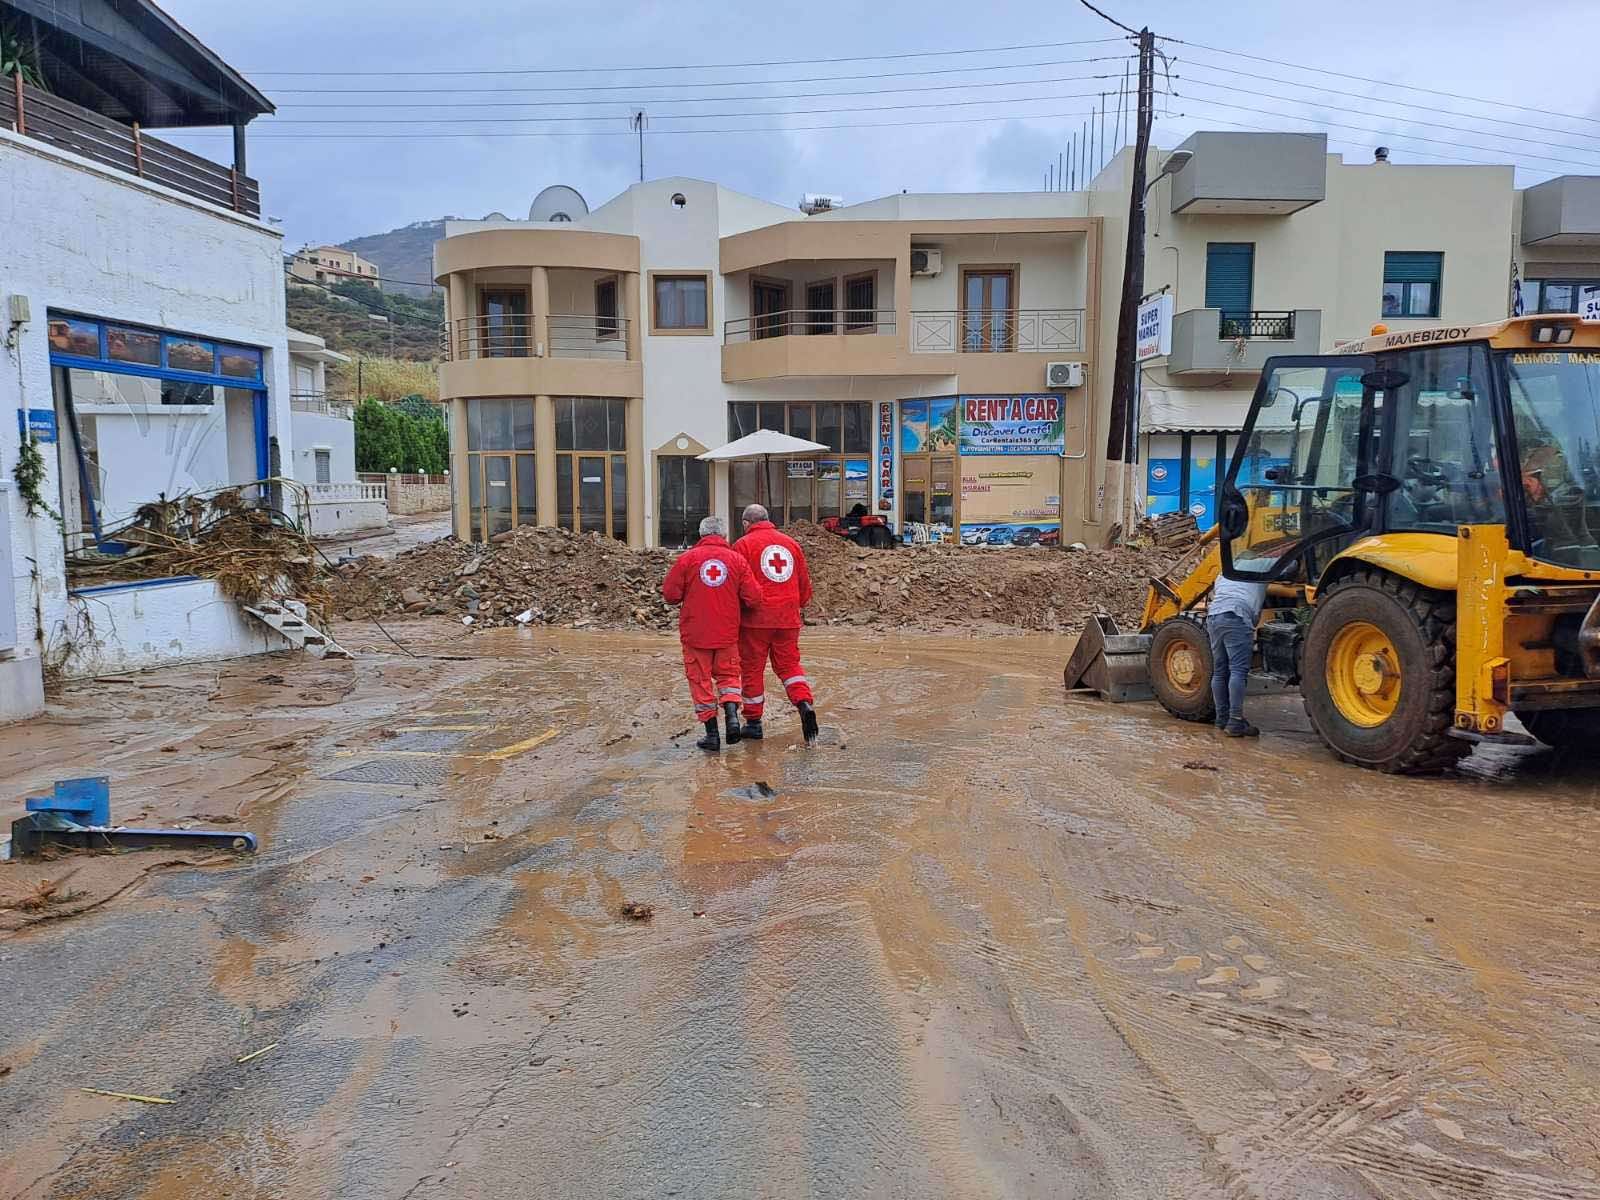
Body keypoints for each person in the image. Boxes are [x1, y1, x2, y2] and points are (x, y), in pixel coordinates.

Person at [661, 515, 761, 752]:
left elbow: (670, 595)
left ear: (701, 535)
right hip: (727, 632)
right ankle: (732, 717)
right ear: (724, 536)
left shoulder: (687, 560)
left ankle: (712, 735)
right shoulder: (737, 560)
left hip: (696, 633)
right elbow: (754, 597)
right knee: (728, 677)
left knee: (700, 680)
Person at [733, 503, 819, 744]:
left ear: (746, 523)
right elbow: (804, 587)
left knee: (752, 669)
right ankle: (803, 703)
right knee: (790, 667)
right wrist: (795, 605)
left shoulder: (743, 545)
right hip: (787, 619)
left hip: (755, 621)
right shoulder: (791, 544)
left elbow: (737, 585)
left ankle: (753, 723)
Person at [1208, 573, 1268, 738]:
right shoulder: (1264, 564)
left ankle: (1222, 718)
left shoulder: (1226, 570)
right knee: (1238, 671)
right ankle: (1235, 721)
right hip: (1236, 615)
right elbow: (1291, 565)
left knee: (1219, 671)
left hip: (1214, 616)